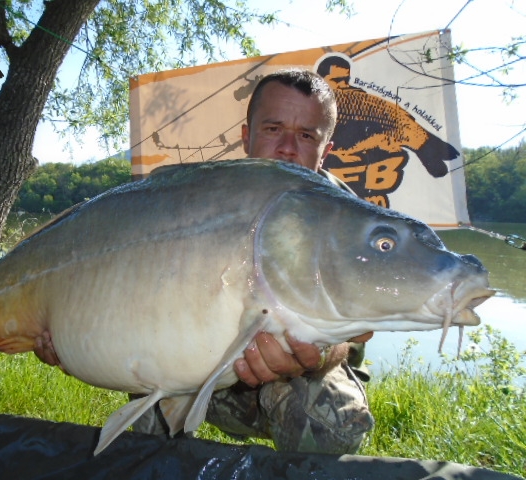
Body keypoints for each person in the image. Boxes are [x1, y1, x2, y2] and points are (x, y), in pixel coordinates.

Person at [34, 68, 374, 454]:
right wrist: (70, 333)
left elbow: (352, 341)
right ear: (247, 137)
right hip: (201, 368)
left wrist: (317, 355)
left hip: (286, 383)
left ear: (326, 149)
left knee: (336, 425)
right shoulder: (201, 200)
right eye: (273, 129)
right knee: (149, 407)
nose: (287, 148)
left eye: (306, 135)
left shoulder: (350, 221)